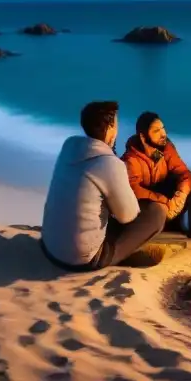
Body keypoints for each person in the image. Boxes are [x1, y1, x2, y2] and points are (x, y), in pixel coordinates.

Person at [40, 101, 168, 270]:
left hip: (50, 246)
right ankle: (119, 256)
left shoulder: (69, 146)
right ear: (109, 129)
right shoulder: (110, 163)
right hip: (82, 258)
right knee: (157, 213)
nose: (117, 130)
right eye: (116, 124)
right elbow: (127, 216)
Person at [122, 111, 191, 242]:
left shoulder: (166, 148)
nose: (164, 134)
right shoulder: (131, 159)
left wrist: (180, 196)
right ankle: (149, 233)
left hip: (168, 203)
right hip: (148, 205)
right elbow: (133, 189)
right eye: (156, 131)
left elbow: (185, 173)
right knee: (150, 206)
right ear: (143, 137)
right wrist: (161, 200)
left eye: (163, 128)